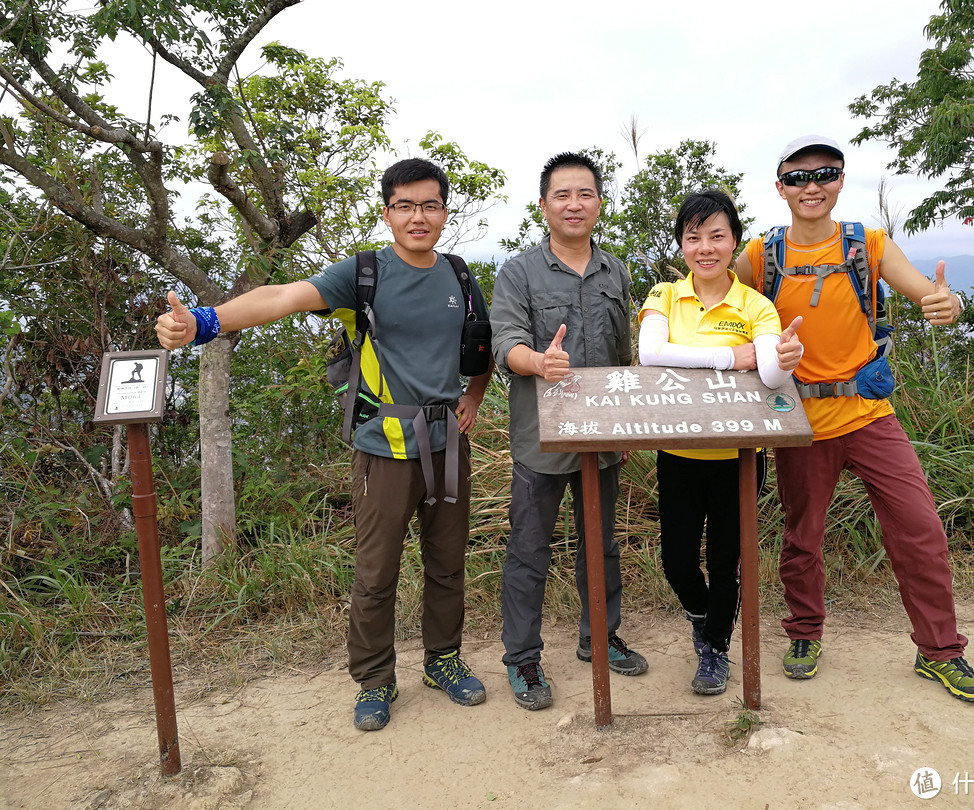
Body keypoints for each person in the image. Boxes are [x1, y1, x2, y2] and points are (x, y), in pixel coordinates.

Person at [155, 158, 495, 729]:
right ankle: (374, 680)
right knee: (376, 570)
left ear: (443, 211)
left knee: (447, 564)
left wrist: (475, 397)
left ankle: (443, 661)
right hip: (383, 447)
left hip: (446, 447)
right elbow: (281, 296)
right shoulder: (365, 273)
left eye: (430, 205)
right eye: (405, 205)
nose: (419, 216)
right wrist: (205, 323)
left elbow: (478, 346)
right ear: (387, 212)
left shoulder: (459, 275)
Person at [734, 135, 974, 702]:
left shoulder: (868, 244)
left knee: (919, 529)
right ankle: (804, 635)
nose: (812, 185)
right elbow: (724, 310)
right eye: (798, 177)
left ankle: (941, 651)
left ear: (841, 181)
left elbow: (932, 297)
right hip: (801, 421)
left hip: (871, 415)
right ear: (780, 188)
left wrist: (949, 305)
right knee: (803, 537)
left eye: (825, 172)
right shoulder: (759, 257)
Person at [490, 152, 646, 711]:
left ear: (599, 203)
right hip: (540, 438)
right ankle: (523, 659)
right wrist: (539, 362)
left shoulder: (615, 270)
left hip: (602, 436)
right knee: (530, 549)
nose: (574, 205)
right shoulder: (518, 271)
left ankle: (599, 637)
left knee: (600, 546)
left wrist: (625, 430)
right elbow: (504, 341)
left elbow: (624, 354)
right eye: (562, 195)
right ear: (544, 205)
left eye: (585, 194)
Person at [638, 189, 803, 695]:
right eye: (694, 237)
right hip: (679, 453)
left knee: (729, 558)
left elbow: (772, 375)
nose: (705, 247)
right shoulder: (664, 295)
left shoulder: (755, 304)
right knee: (677, 560)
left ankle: (715, 648)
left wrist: (784, 356)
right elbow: (650, 354)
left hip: (739, 459)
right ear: (681, 245)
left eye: (717, 236)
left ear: (734, 242)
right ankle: (703, 614)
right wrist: (731, 357)